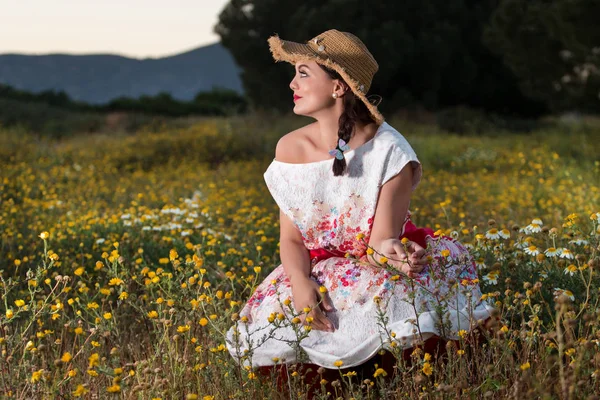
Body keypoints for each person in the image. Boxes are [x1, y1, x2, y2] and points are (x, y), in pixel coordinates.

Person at [225, 29, 494, 392]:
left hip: (372, 263)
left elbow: (382, 240)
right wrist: (301, 283)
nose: (292, 83)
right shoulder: (289, 149)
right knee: (288, 340)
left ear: (339, 87)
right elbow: (291, 238)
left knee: (395, 336)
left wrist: (401, 259)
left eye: (304, 73)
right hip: (312, 267)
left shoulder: (389, 151)